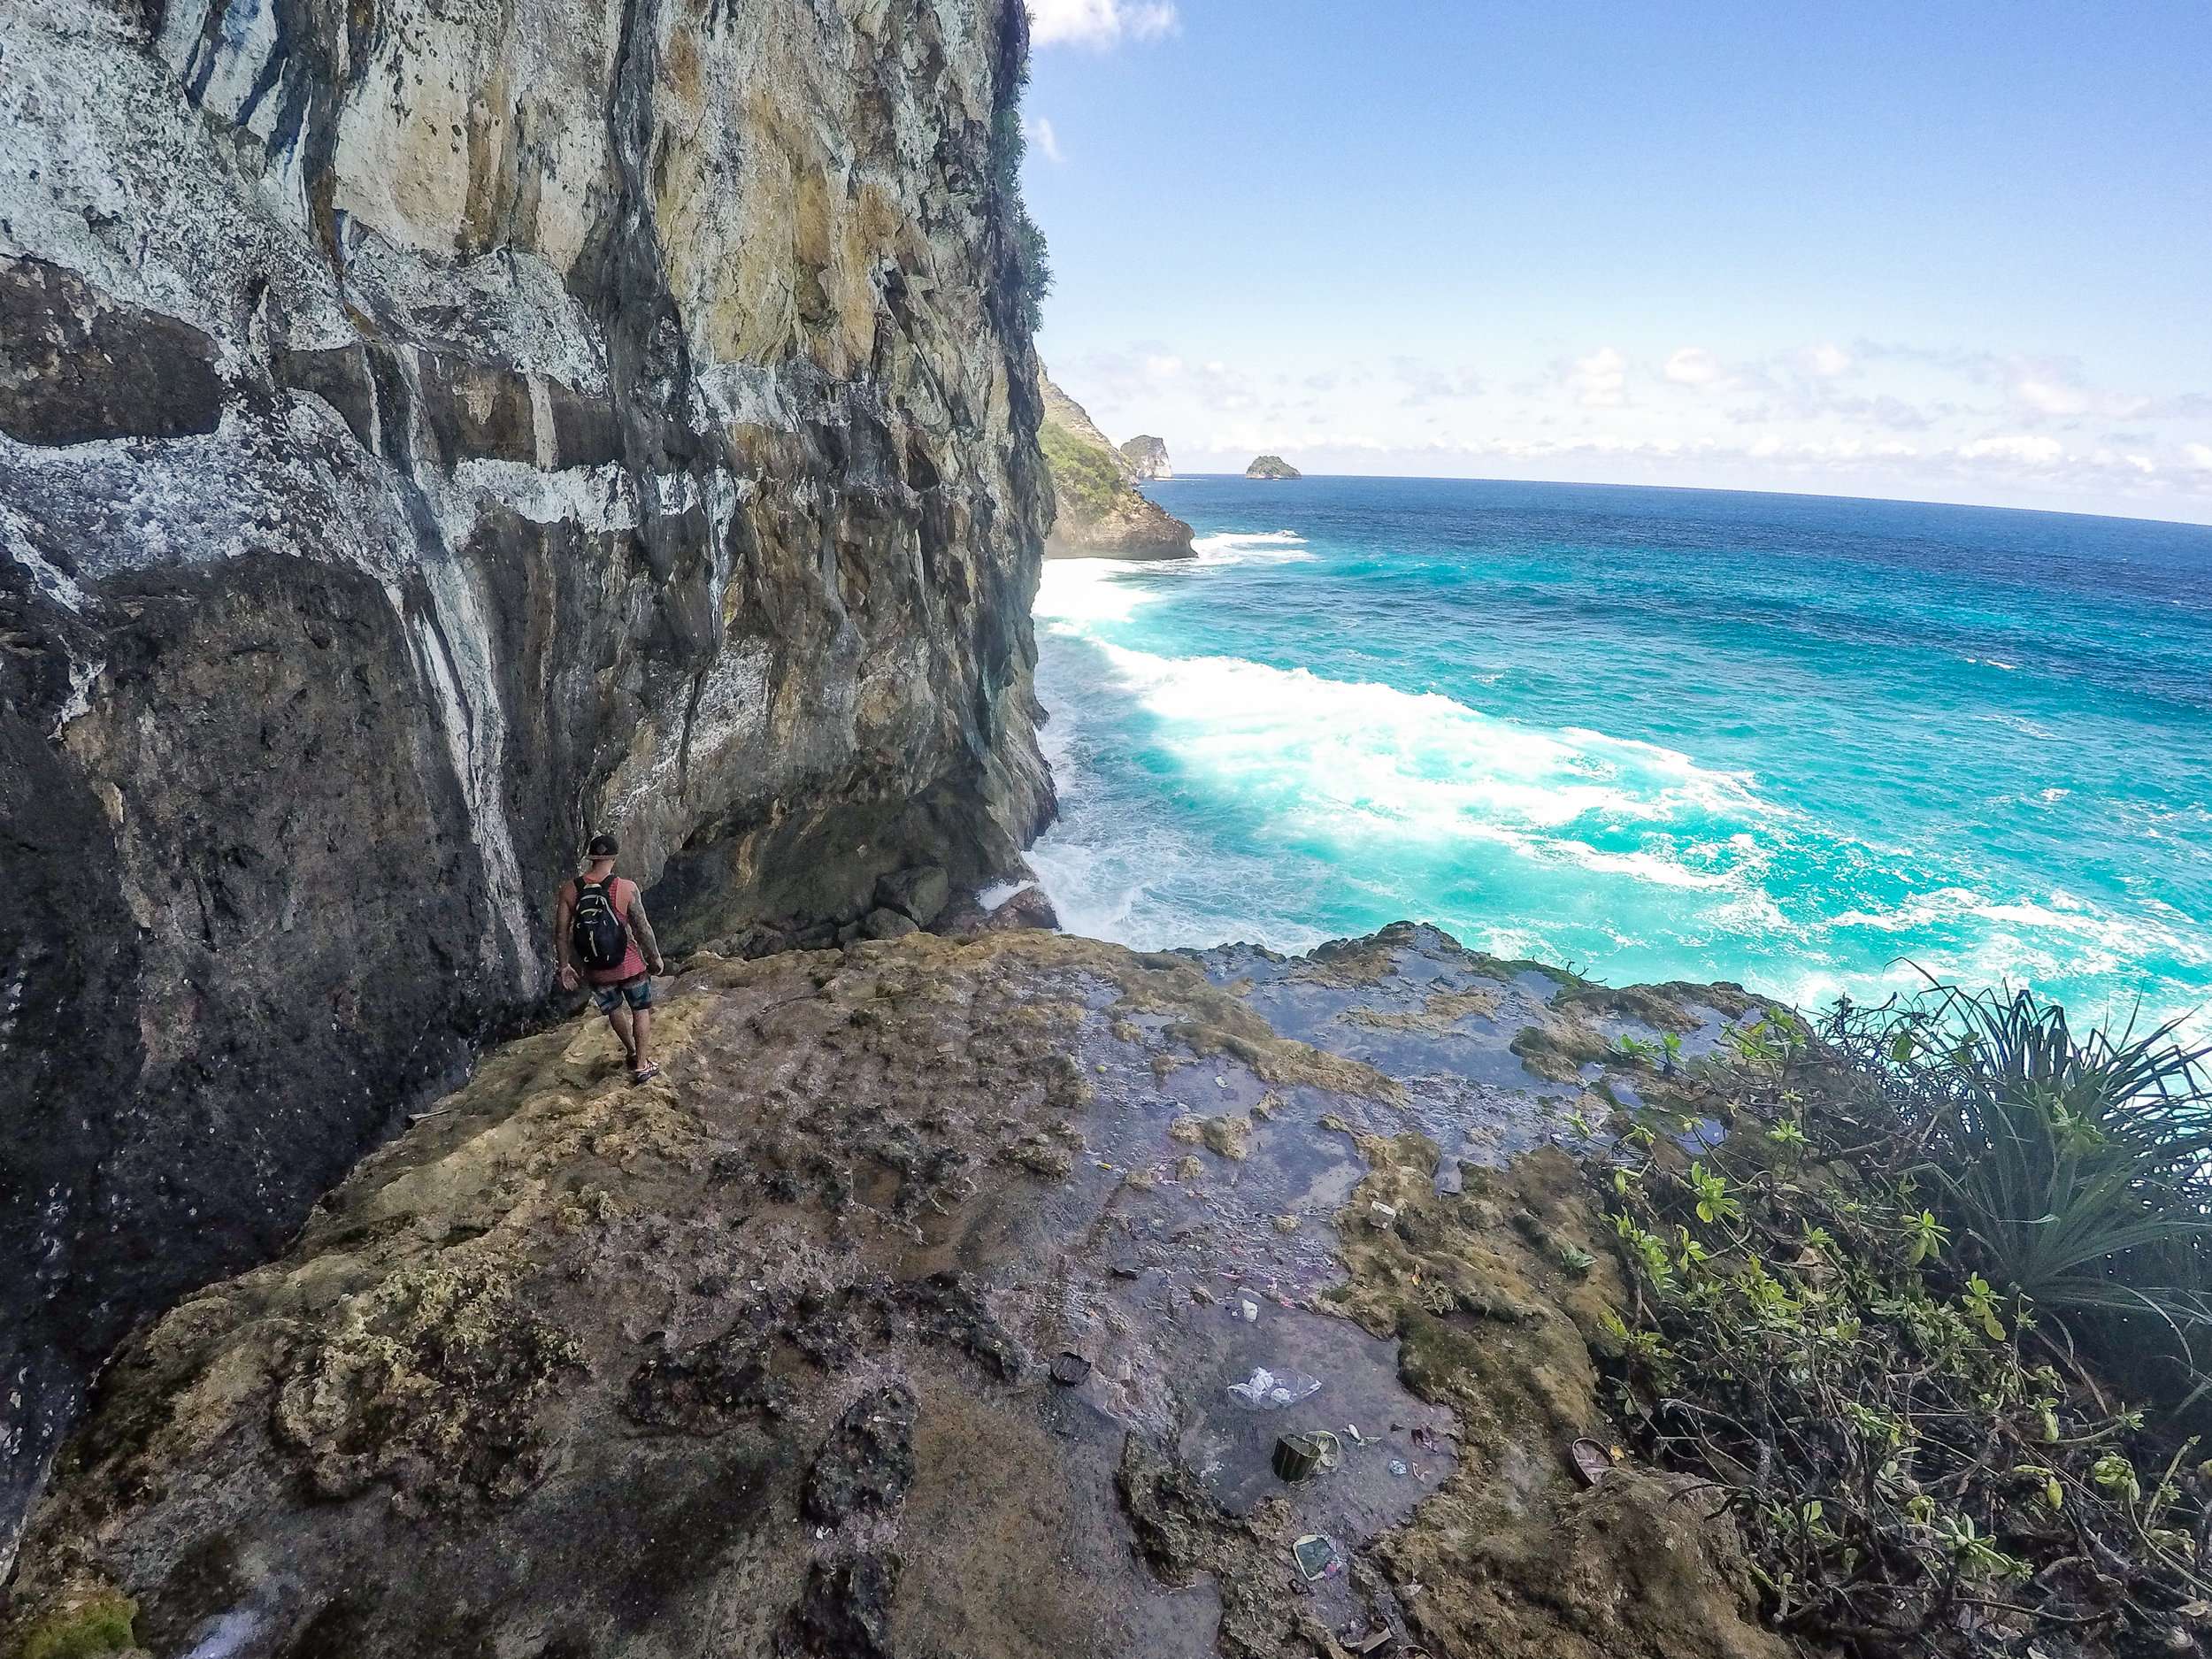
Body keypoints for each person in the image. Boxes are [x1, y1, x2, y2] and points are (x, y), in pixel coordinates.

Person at [556, 833, 666, 1084]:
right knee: (640, 1009)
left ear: (591, 858)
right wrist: (655, 958)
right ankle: (642, 1064)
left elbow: (561, 933)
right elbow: (642, 928)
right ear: (613, 858)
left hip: (595, 968)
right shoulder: (626, 888)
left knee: (614, 1009)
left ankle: (630, 1051)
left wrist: (565, 966)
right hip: (629, 964)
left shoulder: (570, 889)